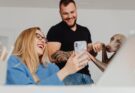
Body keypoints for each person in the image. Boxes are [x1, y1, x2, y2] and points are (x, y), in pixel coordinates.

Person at [6, 27, 91, 85]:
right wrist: (66, 71)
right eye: (38, 36)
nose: (43, 41)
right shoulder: (13, 62)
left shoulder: (52, 68)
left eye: (44, 39)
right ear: (25, 40)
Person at [47, 0, 101, 85]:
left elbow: (91, 54)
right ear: (60, 13)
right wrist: (77, 53)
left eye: (72, 12)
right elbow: (51, 57)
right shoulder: (55, 30)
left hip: (86, 76)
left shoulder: (85, 30)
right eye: (65, 13)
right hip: (68, 77)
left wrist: (95, 48)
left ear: (76, 10)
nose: (70, 16)